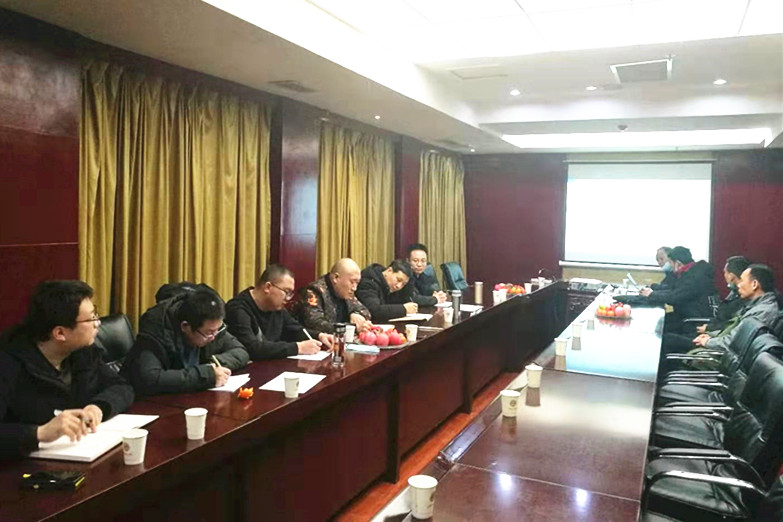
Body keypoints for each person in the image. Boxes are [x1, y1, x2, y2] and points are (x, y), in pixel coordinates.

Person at [0, 280, 134, 459]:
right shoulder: (8, 363)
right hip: (20, 467)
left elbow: (122, 387)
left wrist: (98, 407)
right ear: (60, 333)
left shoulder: (83, 351)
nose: (98, 323)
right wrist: (39, 433)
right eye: (91, 318)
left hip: (81, 456)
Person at [121, 288, 249, 396]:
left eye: (218, 330)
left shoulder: (210, 327)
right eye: (209, 333)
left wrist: (212, 366)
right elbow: (150, 378)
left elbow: (241, 351)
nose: (214, 337)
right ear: (185, 326)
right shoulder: (156, 330)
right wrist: (206, 375)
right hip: (152, 403)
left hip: (190, 397)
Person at [225, 265, 333, 360]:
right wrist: (297, 348)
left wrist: (320, 336)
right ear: (268, 287)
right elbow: (252, 348)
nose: (288, 299)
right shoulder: (237, 309)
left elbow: (295, 329)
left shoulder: (277, 307)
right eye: (286, 292)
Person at [635, 246, 716, 332]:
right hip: (686, 316)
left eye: (670, 262)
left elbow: (674, 297)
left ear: (678, 263)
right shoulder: (690, 273)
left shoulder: (694, 278)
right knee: (658, 321)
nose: (670, 265)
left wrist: (651, 294)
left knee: (660, 330)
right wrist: (653, 294)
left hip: (694, 321)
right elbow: (673, 291)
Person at [293, 258, 373, 334]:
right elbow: (316, 324)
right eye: (352, 282)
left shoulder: (345, 291)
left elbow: (365, 311)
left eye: (357, 283)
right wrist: (352, 327)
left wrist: (356, 314)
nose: (354, 288)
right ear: (336, 278)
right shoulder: (314, 291)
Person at [695, 255, 751, 334]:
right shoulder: (735, 293)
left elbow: (733, 324)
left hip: (717, 335)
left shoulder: (743, 298)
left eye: (725, 272)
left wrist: (709, 329)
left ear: (731, 276)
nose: (724, 275)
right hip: (715, 331)